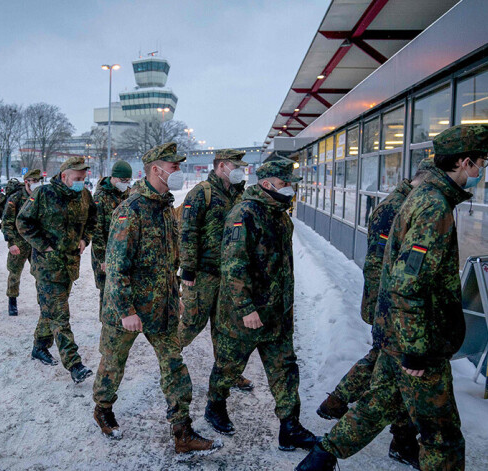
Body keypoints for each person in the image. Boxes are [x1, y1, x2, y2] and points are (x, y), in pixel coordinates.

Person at [296, 124, 488, 471]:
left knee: (378, 404)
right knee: (441, 436)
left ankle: (318, 462)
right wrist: (416, 349)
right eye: (481, 163)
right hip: (418, 342)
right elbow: (408, 283)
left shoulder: (425, 197)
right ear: (464, 162)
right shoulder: (434, 207)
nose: (481, 171)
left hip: (400, 334)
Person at [92, 142, 221, 456]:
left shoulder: (165, 208)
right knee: (112, 365)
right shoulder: (129, 210)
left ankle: (182, 431)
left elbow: (168, 260)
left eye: (178, 166)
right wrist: (125, 310)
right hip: (128, 308)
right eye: (173, 166)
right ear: (155, 169)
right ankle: (102, 408)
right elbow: (117, 265)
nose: (178, 170)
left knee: (175, 366)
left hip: (160, 307)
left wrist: (173, 295)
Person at [315, 159, 434, 469]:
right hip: (391, 307)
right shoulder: (399, 207)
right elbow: (385, 267)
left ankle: (341, 404)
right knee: (388, 373)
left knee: (384, 363)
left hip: (390, 306)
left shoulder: (404, 203)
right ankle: (342, 425)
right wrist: (390, 311)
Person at [205, 160, 317, 453]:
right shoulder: (244, 214)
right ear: (267, 184)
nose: (290, 189)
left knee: (285, 369)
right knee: (229, 367)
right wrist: (246, 308)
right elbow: (233, 266)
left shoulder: (281, 216)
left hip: (276, 314)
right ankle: (215, 406)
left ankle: (289, 427)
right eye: (285, 184)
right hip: (245, 315)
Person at [178, 148, 253, 392]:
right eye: (235, 166)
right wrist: (187, 270)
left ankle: (229, 372)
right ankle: (168, 360)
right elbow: (188, 232)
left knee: (226, 329)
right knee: (191, 323)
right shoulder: (201, 193)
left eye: (242, 167)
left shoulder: (239, 194)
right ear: (221, 166)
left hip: (229, 276)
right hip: (203, 274)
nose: (240, 171)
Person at [16, 156, 96, 383]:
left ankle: (39, 346)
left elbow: (92, 219)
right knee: (60, 315)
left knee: (50, 310)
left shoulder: (84, 196)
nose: (81, 181)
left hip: (69, 266)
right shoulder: (43, 194)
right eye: (77, 178)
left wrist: (85, 239)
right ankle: (74, 364)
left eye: (83, 178)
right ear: (64, 176)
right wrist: (44, 246)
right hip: (47, 267)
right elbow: (23, 222)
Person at [91, 160, 132, 315]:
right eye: (123, 180)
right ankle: (105, 320)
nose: (126, 184)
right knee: (106, 288)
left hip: (124, 250)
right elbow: (96, 230)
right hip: (106, 252)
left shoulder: (128, 193)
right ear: (113, 178)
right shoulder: (100, 197)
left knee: (122, 286)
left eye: (128, 181)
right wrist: (102, 258)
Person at [1, 169, 42, 316]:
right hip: (18, 242)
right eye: (34, 181)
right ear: (27, 182)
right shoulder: (16, 198)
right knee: (14, 273)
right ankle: (12, 301)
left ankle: (43, 302)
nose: (38, 183)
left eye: (39, 180)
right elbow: (7, 222)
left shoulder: (41, 196)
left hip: (36, 242)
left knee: (41, 273)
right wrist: (11, 242)